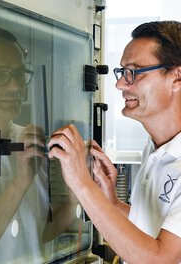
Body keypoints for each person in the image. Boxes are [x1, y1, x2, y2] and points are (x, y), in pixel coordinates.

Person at [48, 20, 181, 263]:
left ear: (176, 77)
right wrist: (113, 204)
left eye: (134, 72)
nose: (120, 84)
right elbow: (159, 230)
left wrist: (81, 182)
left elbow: (160, 259)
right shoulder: (155, 149)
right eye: (122, 72)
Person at [0, 26, 77, 264]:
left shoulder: (28, 140)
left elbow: (39, 233)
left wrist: (74, 198)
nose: (16, 87)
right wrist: (20, 183)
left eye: (19, 76)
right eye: (1, 75)